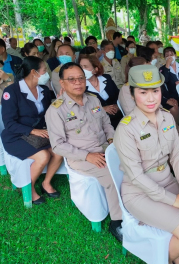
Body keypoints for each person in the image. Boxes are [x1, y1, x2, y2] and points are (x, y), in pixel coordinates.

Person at [115, 64, 179, 264]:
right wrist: (173, 200)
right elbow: (136, 176)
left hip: (168, 182)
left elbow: (177, 155)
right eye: (143, 92)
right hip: (139, 192)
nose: (151, 98)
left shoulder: (167, 117)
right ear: (133, 94)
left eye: (155, 91)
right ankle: (167, 260)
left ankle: (172, 252)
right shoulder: (126, 129)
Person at [45, 62, 123, 242]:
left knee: (134, 164)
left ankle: (137, 206)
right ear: (62, 84)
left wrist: (111, 141)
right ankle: (117, 221)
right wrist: (87, 156)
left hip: (105, 148)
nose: (78, 82)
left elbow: (106, 124)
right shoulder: (56, 110)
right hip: (81, 157)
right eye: (71, 79)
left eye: (81, 78)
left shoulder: (93, 100)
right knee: (113, 177)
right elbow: (57, 145)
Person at [1, 56, 63, 205]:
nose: (46, 74)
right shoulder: (12, 91)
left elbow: (48, 112)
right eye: (44, 70)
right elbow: (9, 123)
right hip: (15, 136)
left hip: (38, 132)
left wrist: (59, 100)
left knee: (59, 150)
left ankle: (46, 183)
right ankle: (29, 188)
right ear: (34, 72)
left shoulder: (44, 90)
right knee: (43, 156)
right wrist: (33, 130)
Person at [78, 54, 122, 129]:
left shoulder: (107, 78)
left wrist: (118, 106)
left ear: (95, 69)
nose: (82, 70)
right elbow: (84, 110)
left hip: (118, 117)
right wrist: (102, 109)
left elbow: (119, 96)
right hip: (98, 122)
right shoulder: (80, 87)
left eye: (85, 66)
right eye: (81, 67)